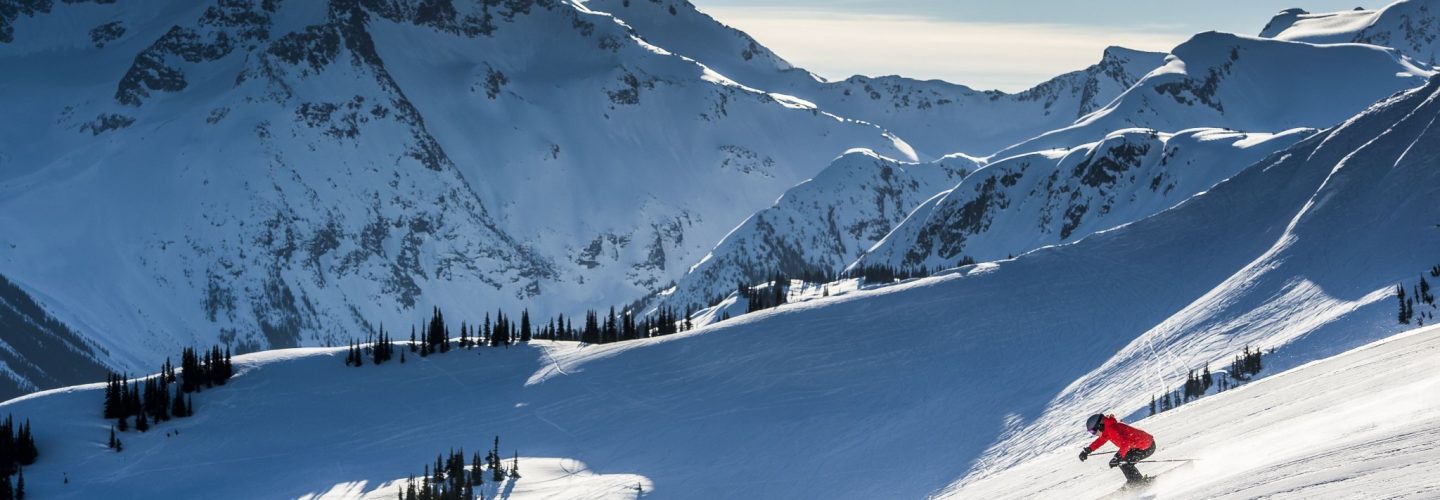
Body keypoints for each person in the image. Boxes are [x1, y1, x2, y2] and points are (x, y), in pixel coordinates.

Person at [1078, 413, 1156, 484]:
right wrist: (1087, 450)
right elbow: (1100, 441)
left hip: (1147, 446)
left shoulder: (1112, 429)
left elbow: (1126, 443)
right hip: (1139, 446)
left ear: (1099, 426)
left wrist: (1117, 457)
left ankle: (1137, 483)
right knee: (1123, 461)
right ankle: (1135, 481)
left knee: (1124, 462)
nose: (1094, 434)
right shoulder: (1107, 429)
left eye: (1093, 431)